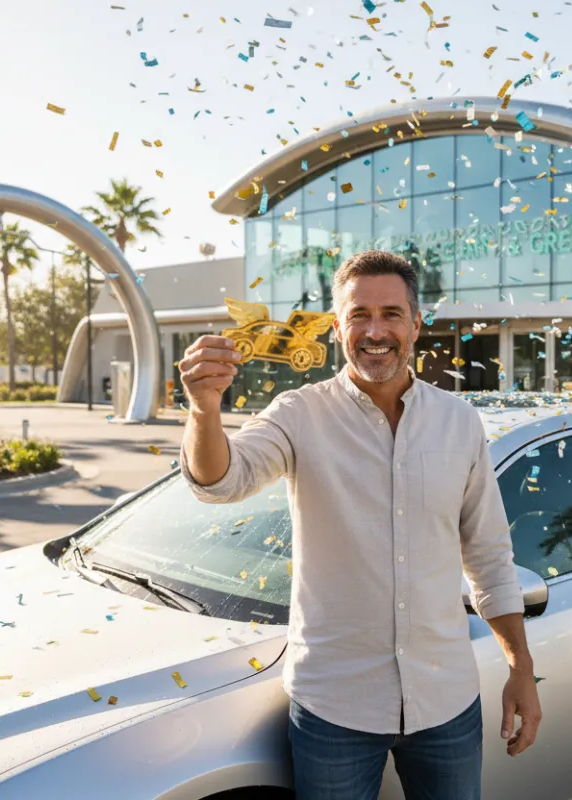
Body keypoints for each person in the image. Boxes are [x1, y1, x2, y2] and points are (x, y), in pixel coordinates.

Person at [177, 250, 541, 800]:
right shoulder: (298, 414)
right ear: (336, 328)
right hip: (334, 711)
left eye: (391, 314)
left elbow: (489, 555)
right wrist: (204, 409)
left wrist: (520, 669)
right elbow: (221, 480)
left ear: (415, 324)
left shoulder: (459, 422)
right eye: (359, 315)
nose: (375, 331)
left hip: (446, 701)